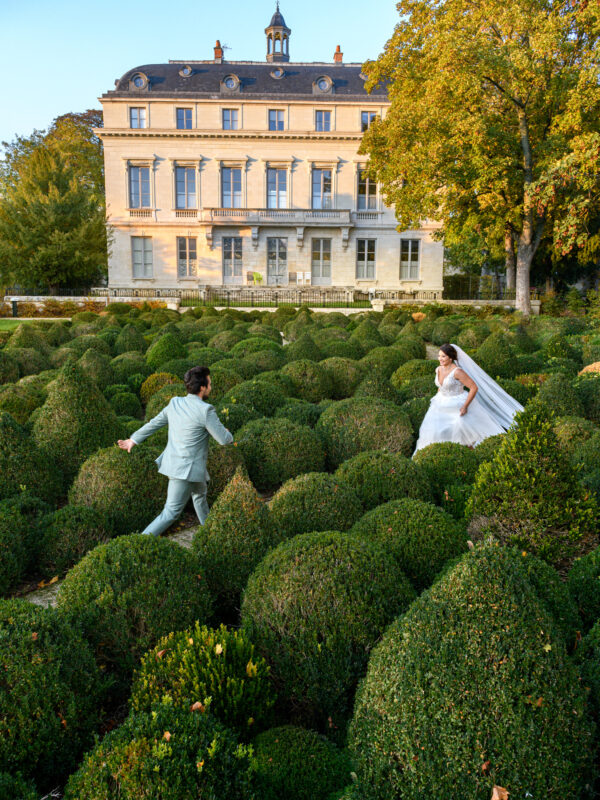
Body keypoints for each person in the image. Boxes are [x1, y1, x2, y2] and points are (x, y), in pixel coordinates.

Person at [117, 365, 233, 535]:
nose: (211, 386)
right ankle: (139, 542)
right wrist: (229, 434)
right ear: (202, 387)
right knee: (171, 513)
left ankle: (210, 534)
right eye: (210, 383)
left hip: (187, 467)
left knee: (200, 497)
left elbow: (154, 423)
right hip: (184, 470)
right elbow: (223, 440)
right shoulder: (206, 410)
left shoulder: (175, 403)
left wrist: (133, 440)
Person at [413, 342, 524, 453]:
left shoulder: (457, 372)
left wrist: (465, 406)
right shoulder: (438, 369)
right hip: (440, 403)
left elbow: (473, 387)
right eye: (439, 356)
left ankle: (473, 453)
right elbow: (441, 387)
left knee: (462, 432)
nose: (440, 359)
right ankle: (439, 454)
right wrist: (438, 398)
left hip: (457, 403)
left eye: (443, 356)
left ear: (451, 358)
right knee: (435, 431)